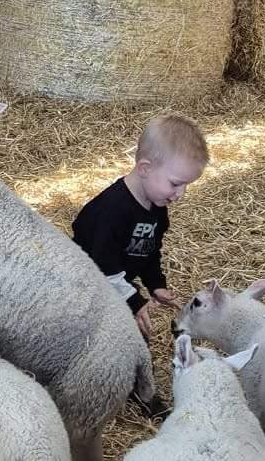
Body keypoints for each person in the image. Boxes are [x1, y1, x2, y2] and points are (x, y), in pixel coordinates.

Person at [72, 114, 210, 337]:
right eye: (175, 183)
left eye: (187, 185)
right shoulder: (111, 210)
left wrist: (155, 284)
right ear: (145, 168)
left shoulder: (157, 207)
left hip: (115, 286)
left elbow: (148, 251)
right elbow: (101, 265)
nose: (181, 193)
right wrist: (134, 301)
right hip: (83, 289)